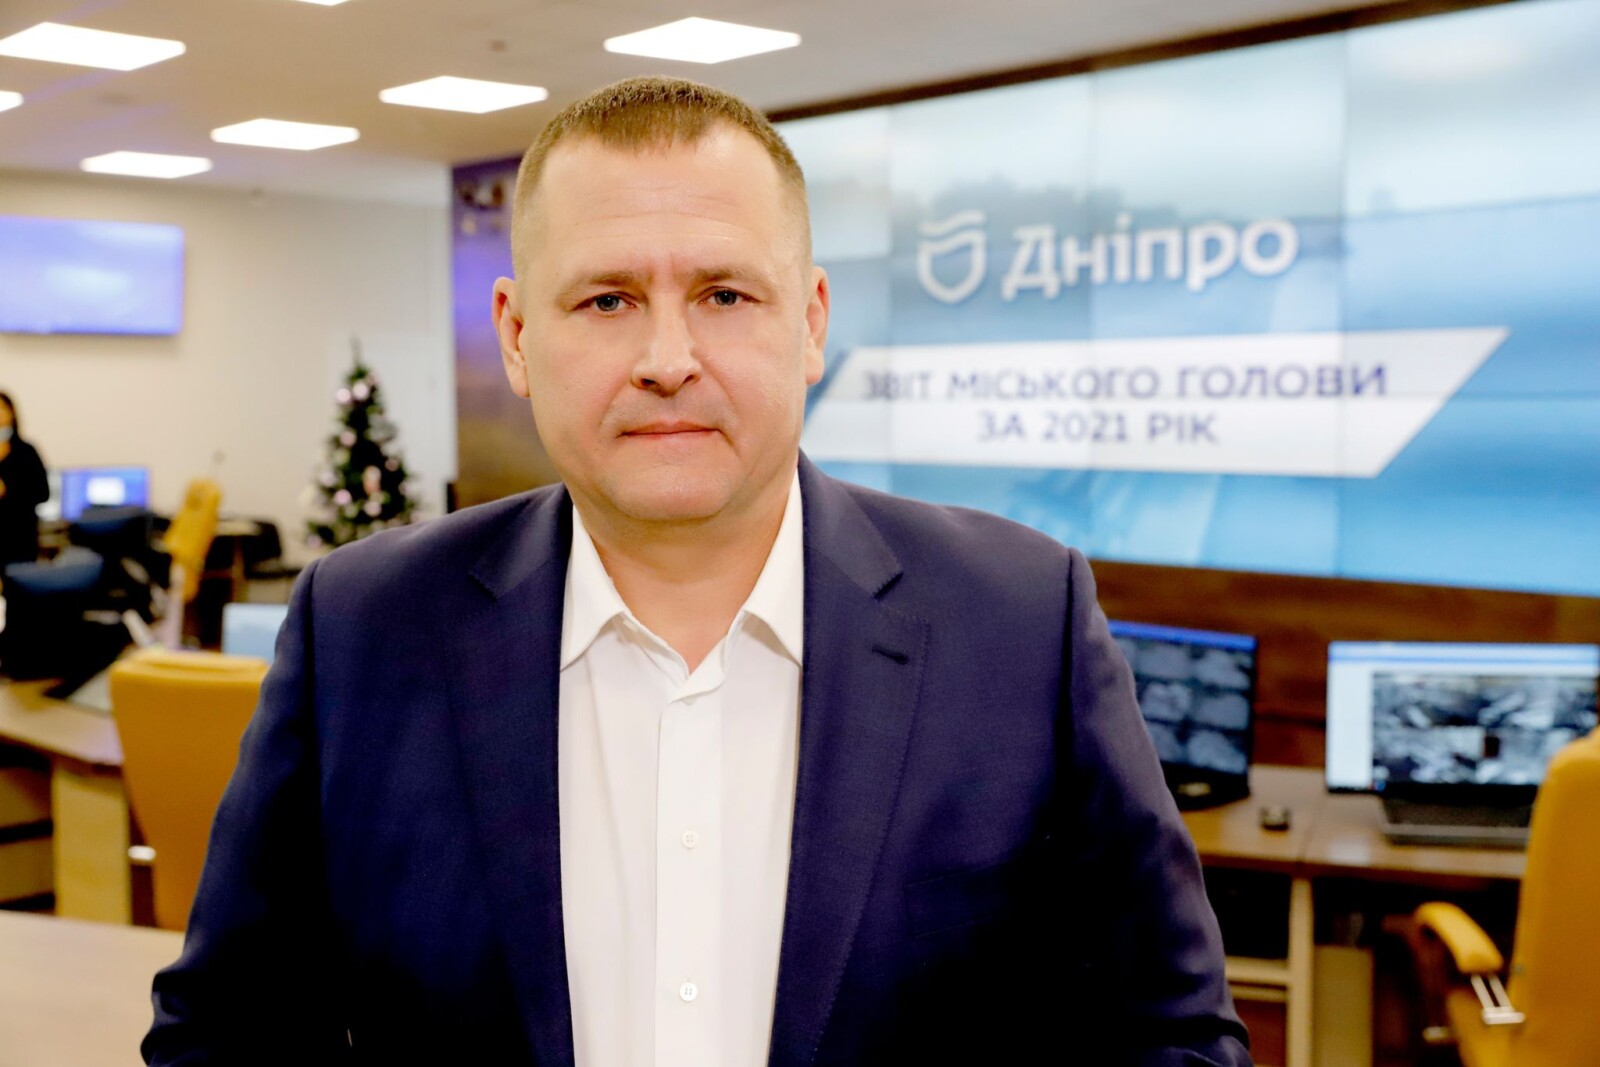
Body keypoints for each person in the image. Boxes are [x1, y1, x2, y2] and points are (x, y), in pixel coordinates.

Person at [146, 78, 1250, 1066]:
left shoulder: (1018, 620)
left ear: (809, 323)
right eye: (607, 300)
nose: (667, 360)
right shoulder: (364, 627)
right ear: (517, 336)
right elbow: (229, 1029)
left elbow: (1168, 1034)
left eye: (724, 295)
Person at [0, 391, 49, 566]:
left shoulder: (26, 453)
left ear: (11, 412)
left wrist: (7, 491)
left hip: (20, 541)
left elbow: (43, 493)